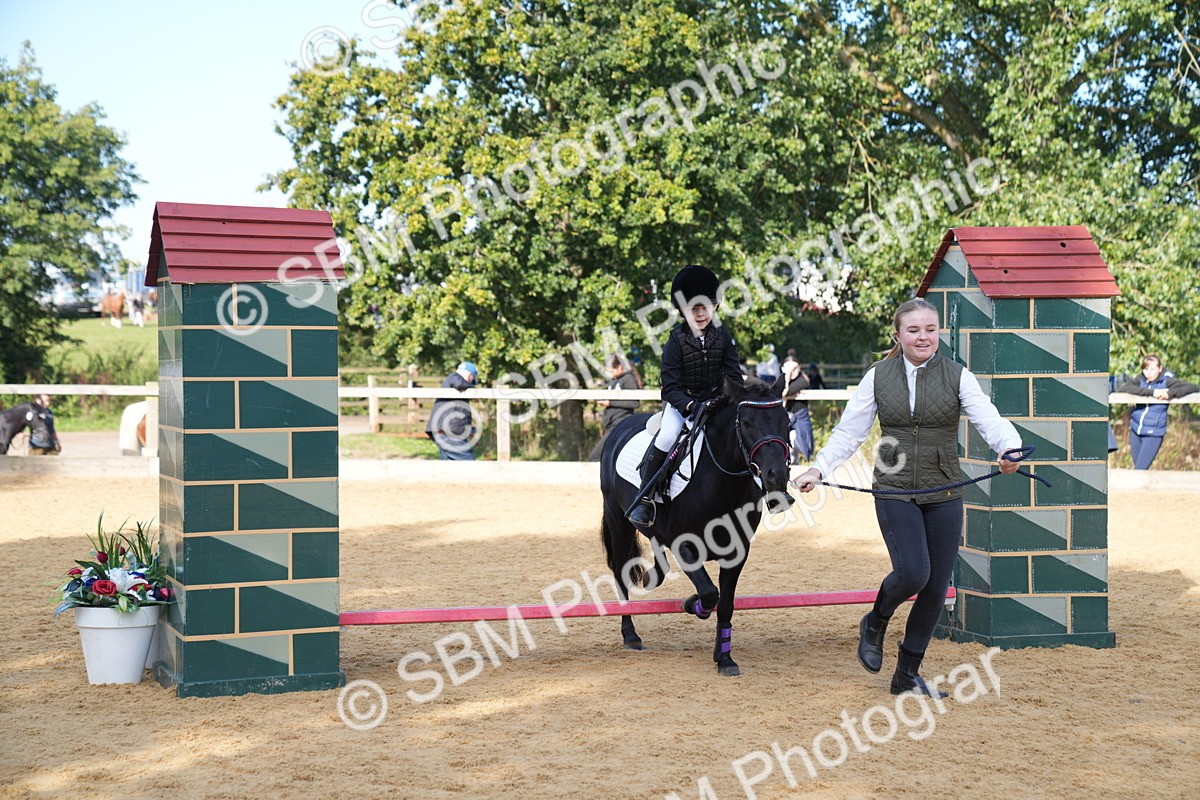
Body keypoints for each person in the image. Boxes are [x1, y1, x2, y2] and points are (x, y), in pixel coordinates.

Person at [793, 298, 1022, 697]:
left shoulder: (957, 375)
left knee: (935, 588)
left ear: (939, 334)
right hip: (895, 488)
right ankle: (876, 620)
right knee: (914, 573)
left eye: (930, 329)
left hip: (944, 488)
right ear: (897, 334)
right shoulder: (877, 376)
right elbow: (850, 432)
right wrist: (819, 468)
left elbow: (988, 417)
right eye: (914, 330)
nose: (923, 337)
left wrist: (1009, 448)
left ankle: (906, 676)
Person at [627, 265, 742, 527]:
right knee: (667, 436)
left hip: (716, 404)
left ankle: (768, 490)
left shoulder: (723, 337)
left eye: (705, 307)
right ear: (682, 311)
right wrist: (690, 405)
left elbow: (734, 378)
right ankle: (645, 497)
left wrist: (722, 401)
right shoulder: (675, 340)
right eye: (694, 309)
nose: (700, 314)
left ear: (714, 306)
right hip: (682, 406)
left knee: (742, 434)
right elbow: (669, 386)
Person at [1116, 355, 1198, 470]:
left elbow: (1192, 387)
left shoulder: (1167, 380)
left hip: (1153, 432)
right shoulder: (1141, 379)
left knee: (1140, 469)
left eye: (1152, 369)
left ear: (1160, 368)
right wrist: (1152, 392)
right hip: (1135, 429)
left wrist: (1170, 393)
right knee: (1138, 470)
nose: (1148, 373)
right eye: (1145, 369)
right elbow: (1125, 388)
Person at [588, 356, 643, 461]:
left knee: (595, 456)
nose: (609, 374)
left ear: (619, 367)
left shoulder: (628, 379)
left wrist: (610, 402)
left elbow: (634, 403)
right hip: (612, 425)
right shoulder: (614, 381)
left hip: (620, 424)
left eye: (611, 370)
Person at [426, 362, 479, 460]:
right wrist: (474, 390)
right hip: (447, 433)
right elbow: (459, 384)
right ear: (470, 375)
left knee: (450, 469)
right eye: (473, 379)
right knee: (470, 465)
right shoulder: (454, 377)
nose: (471, 383)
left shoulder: (455, 384)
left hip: (445, 432)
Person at [781, 359, 814, 463]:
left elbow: (785, 392)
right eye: (788, 368)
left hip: (800, 416)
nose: (791, 371)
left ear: (799, 368)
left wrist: (787, 376)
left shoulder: (803, 380)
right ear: (782, 368)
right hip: (785, 417)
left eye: (794, 368)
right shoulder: (779, 380)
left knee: (798, 438)